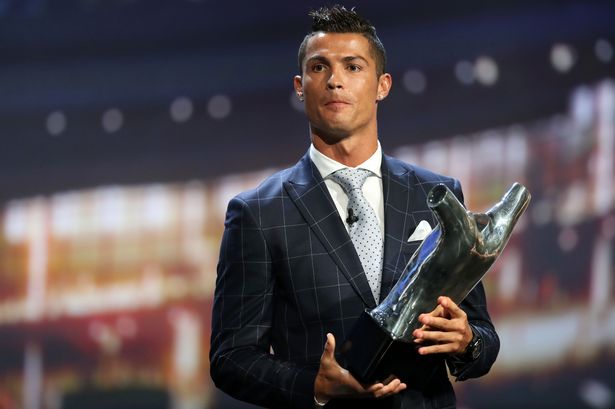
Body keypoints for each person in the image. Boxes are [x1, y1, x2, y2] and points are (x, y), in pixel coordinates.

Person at [210, 5, 499, 409]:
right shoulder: (257, 213)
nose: (334, 81)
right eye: (318, 68)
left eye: (352, 67)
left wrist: (467, 343)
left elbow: (482, 335)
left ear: (382, 85)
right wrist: (315, 385)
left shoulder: (438, 193)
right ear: (299, 86)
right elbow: (231, 358)